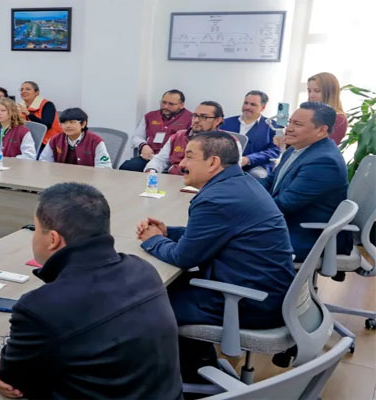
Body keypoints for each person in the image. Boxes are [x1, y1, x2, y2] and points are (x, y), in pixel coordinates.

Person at [0, 183, 183, 399]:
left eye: (35, 229)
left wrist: (0, 364)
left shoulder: (40, 307)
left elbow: (13, 381)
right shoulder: (143, 269)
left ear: (53, 239)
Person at [137, 131, 295, 382]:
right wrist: (168, 232)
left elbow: (183, 258)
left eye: (189, 157)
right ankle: (195, 368)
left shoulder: (215, 198)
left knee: (142, 303)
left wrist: (153, 240)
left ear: (213, 162)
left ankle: (168, 381)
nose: (182, 163)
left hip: (249, 302)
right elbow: (214, 234)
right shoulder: (242, 183)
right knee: (164, 288)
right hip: (266, 291)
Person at [257, 102, 351, 262]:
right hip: (286, 224)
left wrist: (241, 208)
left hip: (306, 235)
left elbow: (284, 204)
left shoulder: (324, 161)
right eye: (290, 122)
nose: (289, 128)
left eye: (297, 124)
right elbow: (269, 182)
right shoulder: (296, 149)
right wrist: (240, 192)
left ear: (321, 130)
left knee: (231, 243)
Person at [120, 90, 193, 172]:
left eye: (171, 104)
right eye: (163, 102)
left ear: (181, 105)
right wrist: (143, 146)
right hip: (149, 156)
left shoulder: (191, 119)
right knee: (127, 167)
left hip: (172, 160)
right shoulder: (150, 116)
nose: (165, 106)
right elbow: (137, 136)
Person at [145, 101, 225, 175]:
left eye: (203, 117)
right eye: (195, 116)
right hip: (173, 179)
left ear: (218, 120)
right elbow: (160, 159)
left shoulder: (226, 142)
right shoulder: (178, 136)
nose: (196, 120)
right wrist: (151, 170)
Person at [220, 90, 280, 178]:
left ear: (263, 107)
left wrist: (249, 159)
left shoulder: (272, 126)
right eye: (246, 103)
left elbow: (274, 150)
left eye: (253, 105)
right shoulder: (226, 123)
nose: (247, 107)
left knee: (258, 175)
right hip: (227, 165)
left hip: (256, 166)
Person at [39, 108, 112, 168]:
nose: (67, 126)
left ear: (83, 124)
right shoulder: (55, 140)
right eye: (64, 123)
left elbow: (104, 166)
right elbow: (44, 161)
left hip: (88, 179)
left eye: (72, 122)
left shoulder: (95, 141)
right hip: (60, 177)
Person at [307, 72, 348, 145]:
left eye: (317, 91)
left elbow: (320, 146)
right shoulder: (309, 113)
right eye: (309, 91)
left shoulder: (338, 119)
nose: (311, 95)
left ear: (329, 92)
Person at [17, 81, 62, 146]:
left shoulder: (47, 104)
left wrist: (28, 114)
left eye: (28, 89)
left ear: (37, 92)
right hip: (29, 141)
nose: (23, 91)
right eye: (21, 90)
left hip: (49, 142)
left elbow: (46, 125)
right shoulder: (19, 107)